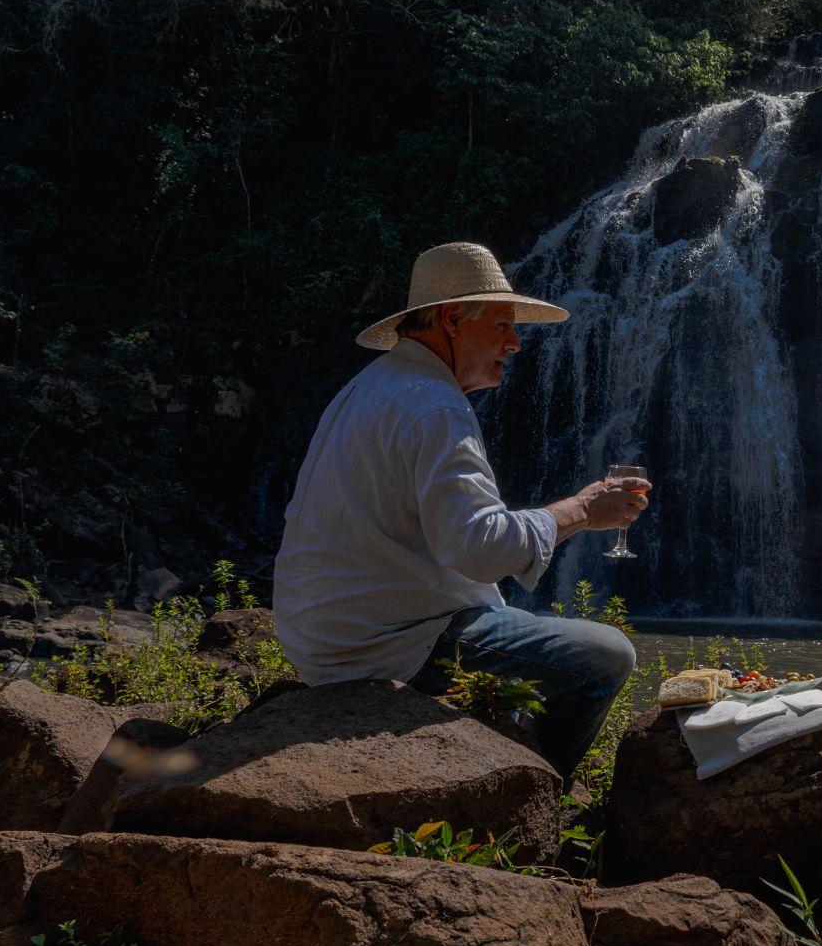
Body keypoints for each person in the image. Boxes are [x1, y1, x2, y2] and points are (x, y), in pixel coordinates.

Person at [273, 240, 650, 779]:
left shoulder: (368, 387)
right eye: (501, 325)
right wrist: (583, 510)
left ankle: (502, 763)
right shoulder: (436, 405)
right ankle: (538, 791)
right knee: (605, 656)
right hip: (389, 643)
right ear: (452, 319)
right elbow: (481, 549)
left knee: (515, 638)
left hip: (324, 634)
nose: (515, 344)